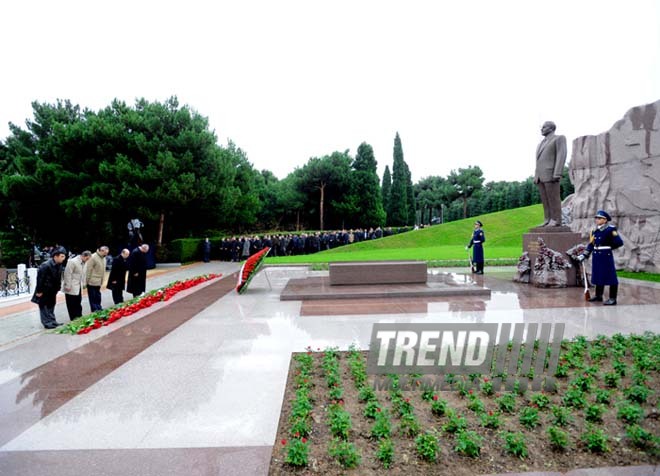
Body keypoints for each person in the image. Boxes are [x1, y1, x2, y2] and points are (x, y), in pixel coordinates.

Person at [578, 210, 624, 305]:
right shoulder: (595, 231)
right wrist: (585, 254)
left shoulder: (610, 229)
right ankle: (598, 295)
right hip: (596, 256)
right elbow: (591, 244)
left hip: (605, 256)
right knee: (598, 275)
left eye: (599, 218)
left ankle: (612, 298)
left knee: (611, 277)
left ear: (605, 220)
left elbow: (619, 242)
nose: (597, 220)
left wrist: (608, 248)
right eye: (596, 218)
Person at [534, 121, 567, 227]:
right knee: (545, 200)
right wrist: (536, 175)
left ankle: (556, 220)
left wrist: (558, 173)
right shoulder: (540, 144)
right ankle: (547, 219)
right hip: (541, 176)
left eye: (544, 127)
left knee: (554, 199)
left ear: (551, 128)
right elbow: (538, 161)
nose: (541, 129)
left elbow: (561, 154)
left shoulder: (559, 138)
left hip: (551, 174)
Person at [32, 247, 67, 329]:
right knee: (44, 306)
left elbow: (58, 277)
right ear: (56, 256)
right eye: (62, 256)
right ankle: (47, 323)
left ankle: (53, 321)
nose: (63, 258)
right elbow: (40, 279)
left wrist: (58, 288)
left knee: (51, 305)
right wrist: (39, 291)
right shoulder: (46, 265)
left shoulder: (59, 265)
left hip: (52, 290)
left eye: (64, 256)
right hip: (44, 290)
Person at [62, 250, 92, 320]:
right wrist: (67, 286)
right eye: (87, 258)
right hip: (71, 286)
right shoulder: (72, 261)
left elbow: (84, 274)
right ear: (83, 256)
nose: (87, 260)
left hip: (78, 286)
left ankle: (79, 316)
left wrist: (84, 284)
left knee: (78, 302)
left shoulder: (85, 262)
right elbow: (67, 274)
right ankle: (73, 318)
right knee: (71, 304)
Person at [85, 246, 109, 312]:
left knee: (98, 296)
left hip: (99, 281)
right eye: (105, 253)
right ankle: (94, 310)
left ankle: (99, 307)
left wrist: (102, 280)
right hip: (91, 281)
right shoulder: (92, 257)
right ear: (101, 251)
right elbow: (88, 270)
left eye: (107, 253)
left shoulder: (103, 258)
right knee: (92, 297)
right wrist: (86, 281)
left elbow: (103, 270)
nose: (106, 254)